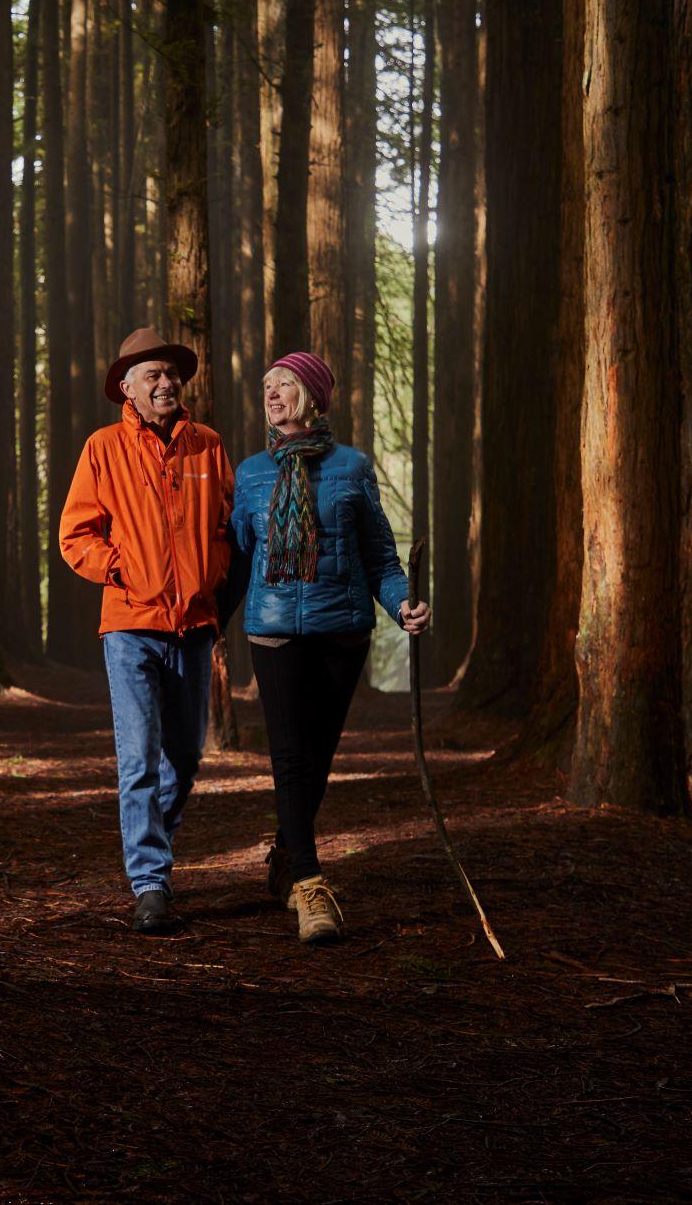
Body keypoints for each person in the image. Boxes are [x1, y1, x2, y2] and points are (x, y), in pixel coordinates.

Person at [229, 351, 430, 945]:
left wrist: (402, 607)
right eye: (267, 386)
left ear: (312, 395)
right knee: (290, 759)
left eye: (284, 383)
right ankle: (310, 887)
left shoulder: (353, 468)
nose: (271, 394)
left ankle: (286, 853)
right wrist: (206, 619)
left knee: (314, 761)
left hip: (341, 631)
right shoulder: (251, 474)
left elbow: (382, 559)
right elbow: (238, 561)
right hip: (272, 631)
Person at [59, 326, 236, 936]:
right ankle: (150, 882)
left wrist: (214, 578)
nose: (165, 383)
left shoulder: (208, 447)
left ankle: (152, 848)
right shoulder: (102, 449)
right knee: (137, 758)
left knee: (183, 760)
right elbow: (75, 536)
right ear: (126, 389)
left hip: (194, 627)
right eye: (151, 376)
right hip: (131, 625)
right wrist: (123, 570)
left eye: (170, 374)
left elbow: (231, 530)